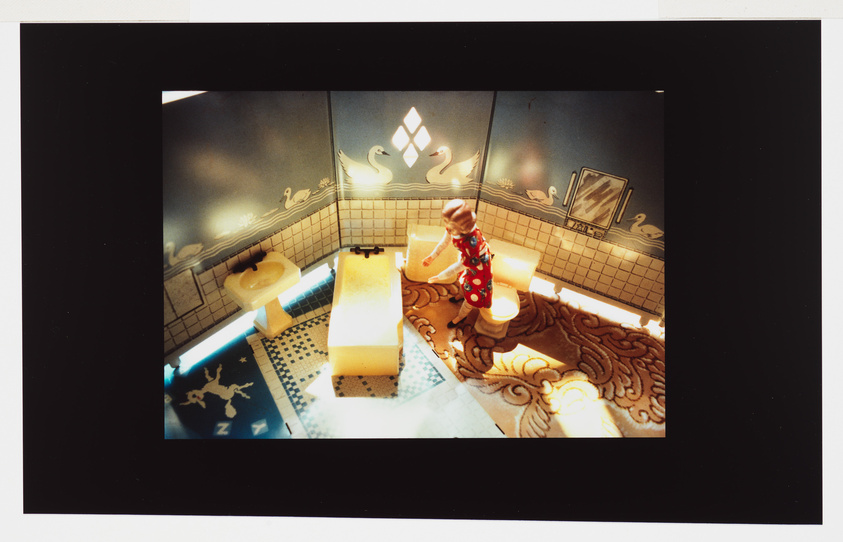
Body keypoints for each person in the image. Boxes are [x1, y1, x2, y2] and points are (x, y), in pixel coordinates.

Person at [423, 199, 493, 328]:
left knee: (473, 294)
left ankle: (461, 315)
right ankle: (461, 294)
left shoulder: (471, 242)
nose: (447, 227)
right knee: (463, 280)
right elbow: (444, 242)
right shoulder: (454, 227)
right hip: (466, 259)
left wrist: (440, 276)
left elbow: (460, 266)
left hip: (478, 267)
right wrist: (432, 256)